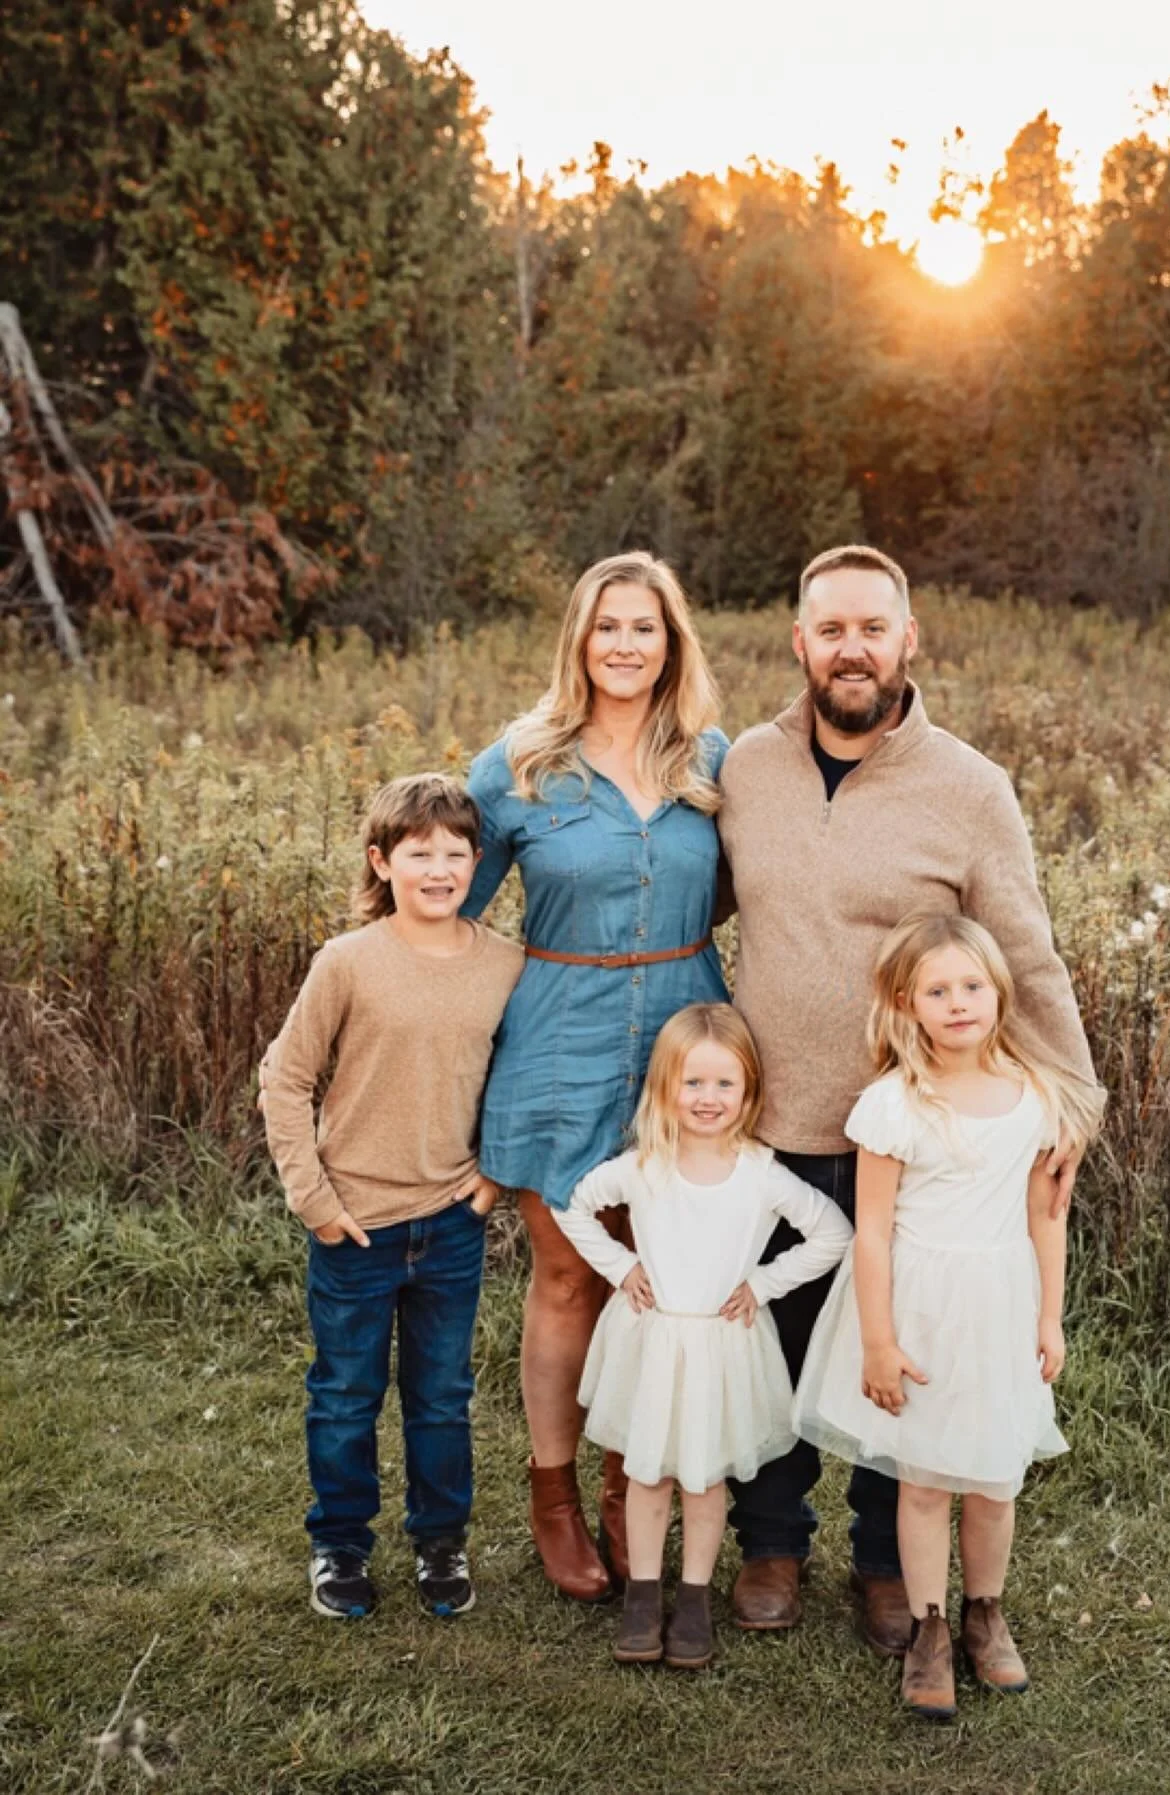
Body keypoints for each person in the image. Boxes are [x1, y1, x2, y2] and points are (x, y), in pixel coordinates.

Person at [717, 543, 1102, 1656]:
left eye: (871, 629)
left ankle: (891, 1564)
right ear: (798, 641)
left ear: (908, 640)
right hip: (767, 1118)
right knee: (779, 1342)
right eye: (829, 628)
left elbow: (1025, 959)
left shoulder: (972, 789)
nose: (851, 649)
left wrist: (1073, 1101)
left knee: (908, 1348)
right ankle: (772, 1540)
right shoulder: (746, 766)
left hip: (914, 1134)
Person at [462, 552, 729, 1601]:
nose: (625, 644)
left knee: (661, 1278)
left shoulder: (709, 761)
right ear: (579, 638)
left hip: (682, 1046)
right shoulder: (519, 765)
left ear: (673, 644)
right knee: (572, 1276)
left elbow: (757, 890)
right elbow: (450, 910)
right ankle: (555, 1499)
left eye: (645, 628)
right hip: (558, 1042)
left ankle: (636, 1485)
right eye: (606, 626)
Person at [795, 912, 1104, 1717]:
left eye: (972, 985)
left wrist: (1050, 1317)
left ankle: (985, 1612)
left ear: (999, 994)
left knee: (996, 1479)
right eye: (938, 989)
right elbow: (871, 1233)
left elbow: (1046, 1218)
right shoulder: (895, 1104)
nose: (958, 1002)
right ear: (906, 1002)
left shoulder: (1037, 1098)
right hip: (920, 1306)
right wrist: (879, 1340)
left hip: (1001, 1304)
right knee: (926, 1481)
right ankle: (929, 1626)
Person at [263, 775, 523, 1620]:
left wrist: (491, 1182)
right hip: (354, 1225)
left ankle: (440, 1541)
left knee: (441, 1394)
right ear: (384, 861)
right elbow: (286, 1077)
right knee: (345, 1391)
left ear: (479, 862)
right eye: (420, 853)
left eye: (456, 852)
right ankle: (340, 1544)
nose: (440, 868)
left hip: (452, 1218)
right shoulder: (349, 961)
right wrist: (315, 1200)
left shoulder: (505, 963)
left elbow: (519, 1081)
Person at [554, 1004, 851, 1669]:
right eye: (693, 1083)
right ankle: (642, 1593)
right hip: (654, 1342)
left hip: (722, 1347)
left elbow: (833, 1231)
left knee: (705, 1478)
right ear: (665, 1086)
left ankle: (693, 1598)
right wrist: (622, 1265)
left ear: (748, 1091)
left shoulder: (761, 1171)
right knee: (650, 1473)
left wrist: (766, 1284)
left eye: (725, 1084)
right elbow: (570, 1203)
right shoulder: (645, 1165)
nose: (708, 1099)